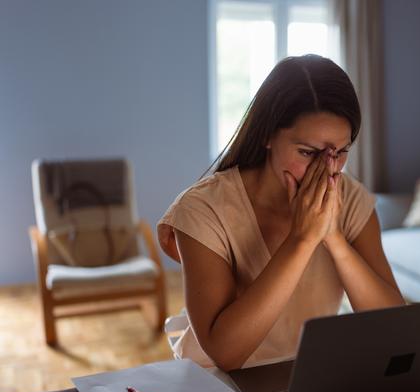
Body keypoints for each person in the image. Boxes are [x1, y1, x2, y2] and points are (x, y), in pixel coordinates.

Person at [158, 54, 404, 372]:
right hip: (216, 386)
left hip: (300, 377)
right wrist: (302, 239)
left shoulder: (351, 200)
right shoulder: (203, 209)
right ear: (267, 135)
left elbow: (393, 328)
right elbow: (226, 354)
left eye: (340, 153)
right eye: (307, 152)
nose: (327, 169)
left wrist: (334, 238)